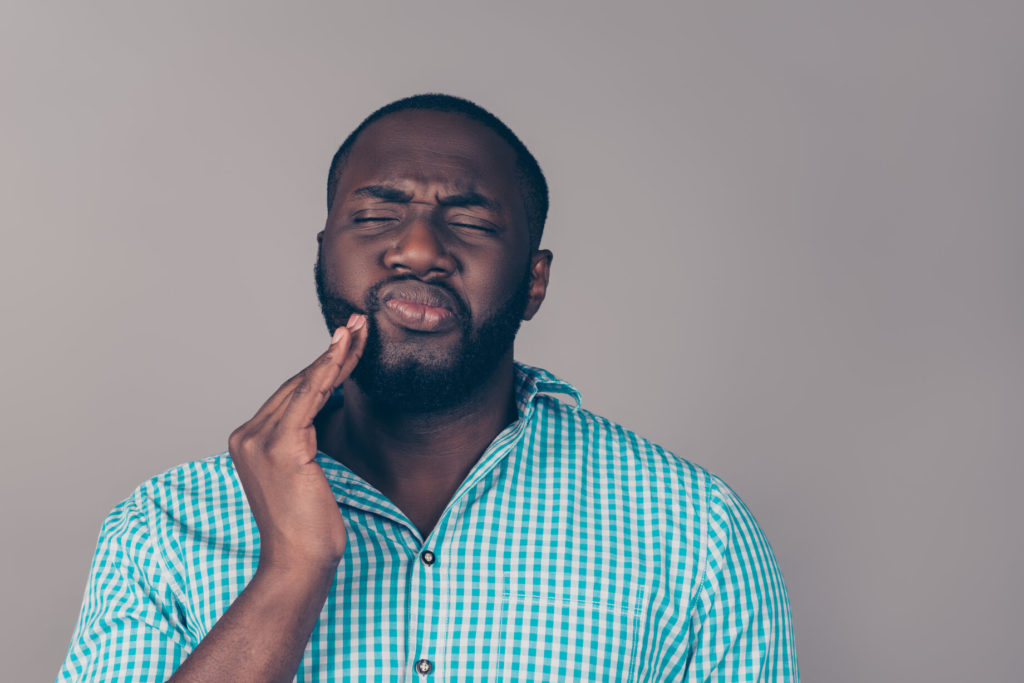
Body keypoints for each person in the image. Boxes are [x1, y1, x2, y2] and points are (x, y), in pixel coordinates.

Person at [58, 94, 798, 682]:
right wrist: (288, 572)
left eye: (470, 220)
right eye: (377, 215)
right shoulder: (163, 528)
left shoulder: (694, 534)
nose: (417, 249)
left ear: (534, 280)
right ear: (323, 255)